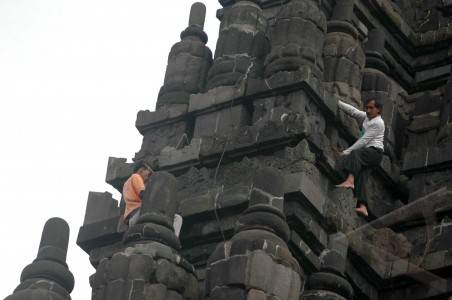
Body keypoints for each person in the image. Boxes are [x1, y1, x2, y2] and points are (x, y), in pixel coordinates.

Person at [336, 99, 385, 217]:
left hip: (375, 152)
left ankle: (350, 180)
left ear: (378, 110)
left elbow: (364, 140)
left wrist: (347, 151)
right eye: (367, 107)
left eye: (371, 108)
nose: (368, 110)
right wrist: (338, 103)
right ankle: (363, 207)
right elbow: (353, 111)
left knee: (355, 153)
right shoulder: (367, 117)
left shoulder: (378, 123)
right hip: (371, 153)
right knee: (362, 177)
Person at [123, 161, 153, 226]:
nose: (148, 177)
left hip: (131, 218)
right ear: (141, 170)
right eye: (148, 173)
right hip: (138, 213)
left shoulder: (126, 183)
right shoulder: (136, 176)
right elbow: (143, 194)